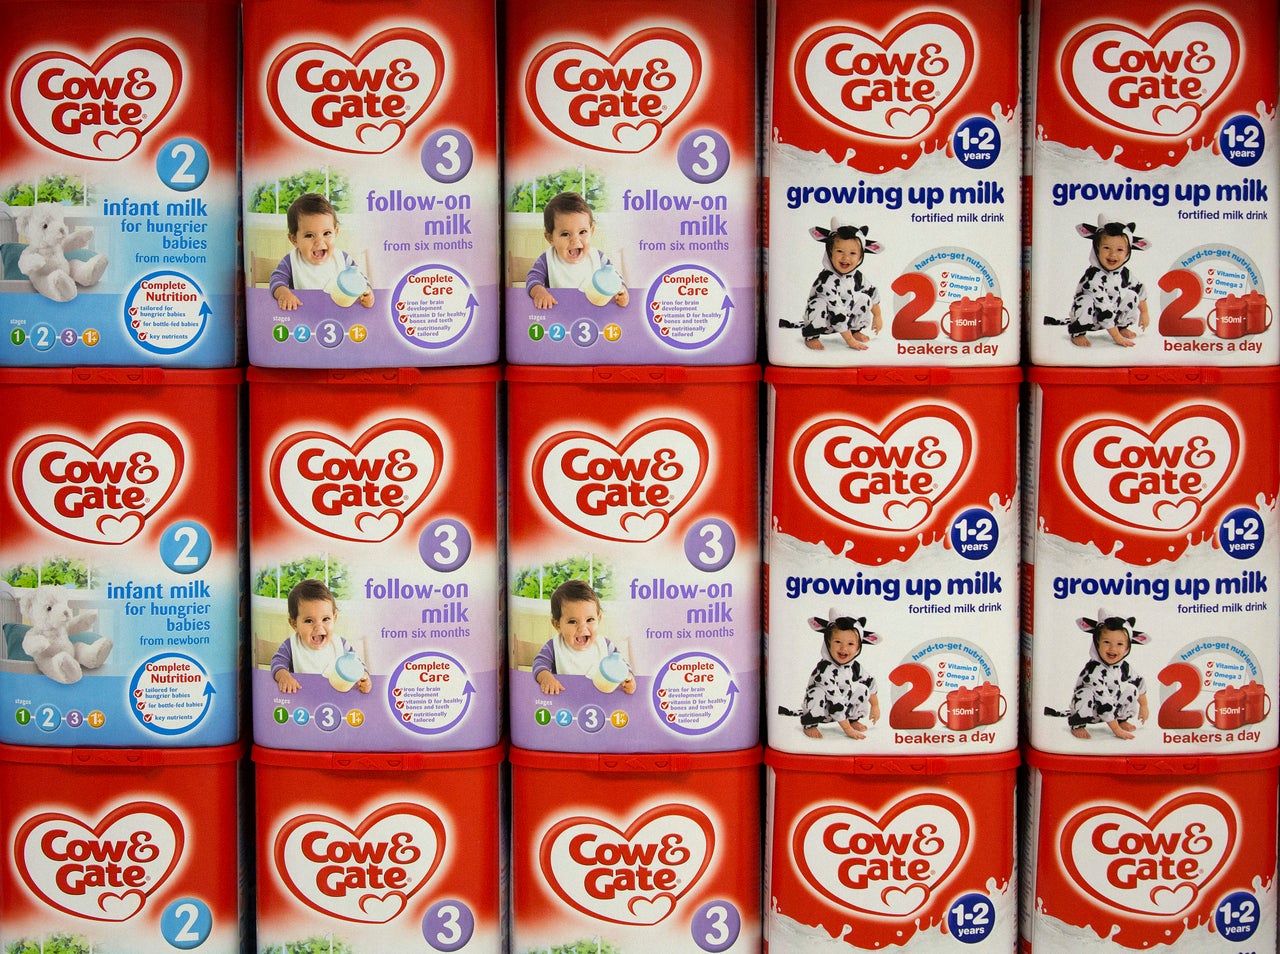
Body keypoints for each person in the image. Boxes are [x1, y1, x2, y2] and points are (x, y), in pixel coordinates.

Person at [1044, 610, 1149, 739]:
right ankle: (1078, 724)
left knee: (1131, 689)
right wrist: (1116, 731)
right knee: (1085, 693)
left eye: (1120, 644)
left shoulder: (1124, 667)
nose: (1113, 648)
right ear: (1097, 642)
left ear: (1127, 647)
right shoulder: (1094, 670)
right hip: (1093, 710)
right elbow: (1103, 701)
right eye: (1107, 642)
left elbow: (1138, 683)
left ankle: (1121, 719)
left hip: (1111, 711)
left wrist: (1144, 706)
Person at [782, 219, 883, 351]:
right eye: (840, 251)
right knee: (818, 303)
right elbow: (837, 312)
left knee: (865, 298)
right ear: (830, 251)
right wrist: (850, 342)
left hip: (845, 322)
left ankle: (855, 329)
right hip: (826, 321)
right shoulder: (827, 280)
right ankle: (811, 336)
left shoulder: (856, 276)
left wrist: (877, 316)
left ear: (860, 257)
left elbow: (872, 292)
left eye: (852, 253)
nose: (845, 258)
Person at [778, 612, 881, 739]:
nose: (843, 648)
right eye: (838, 642)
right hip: (824, 710)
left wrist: (875, 706)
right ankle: (810, 724)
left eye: (850, 644)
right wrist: (848, 730)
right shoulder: (825, 670)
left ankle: (853, 719)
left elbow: (869, 683)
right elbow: (835, 700)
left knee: (862, 689)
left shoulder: (854, 666)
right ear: (828, 642)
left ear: (858, 647)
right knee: (817, 693)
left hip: (843, 711)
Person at [269, 192, 373, 311]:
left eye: (326, 233)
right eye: (309, 235)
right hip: (303, 313)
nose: (319, 242)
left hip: (339, 313)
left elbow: (359, 279)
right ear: (294, 239)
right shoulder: (291, 261)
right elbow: (276, 279)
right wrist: (283, 294)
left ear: (335, 232)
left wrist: (367, 293)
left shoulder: (343, 259)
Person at [525, 192, 628, 310]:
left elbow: (615, 278)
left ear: (591, 231)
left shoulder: (598, 258)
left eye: (582, 232)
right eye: (565, 234)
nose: (575, 240)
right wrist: (539, 292)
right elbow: (533, 278)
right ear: (550, 238)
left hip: (594, 312)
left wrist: (622, 291)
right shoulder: (547, 260)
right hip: (558, 312)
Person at [532, 579, 635, 695]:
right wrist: (546, 678)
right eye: (572, 621)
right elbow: (539, 663)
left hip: (600, 698)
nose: (582, 628)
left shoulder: (605, 645)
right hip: (566, 698)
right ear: (557, 625)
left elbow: (621, 664)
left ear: (598, 619)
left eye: (590, 620)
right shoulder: (554, 646)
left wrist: (628, 678)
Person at [271, 579, 371, 694]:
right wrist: (283, 676)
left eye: (326, 619)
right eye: (309, 621)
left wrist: (364, 678)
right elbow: (277, 662)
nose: (318, 628)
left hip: (336, 696)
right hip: (302, 696)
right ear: (294, 624)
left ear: (334, 618)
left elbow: (357, 664)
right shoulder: (291, 645)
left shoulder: (341, 644)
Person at [1066, 216, 1150, 347]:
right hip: (1092, 318)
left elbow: (1139, 290)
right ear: (1097, 248)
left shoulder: (1124, 273)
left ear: (1127, 253)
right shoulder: (1094, 277)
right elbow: (1104, 308)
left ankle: (1122, 326)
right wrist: (1117, 338)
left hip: (1113, 320)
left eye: (1120, 250)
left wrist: (1144, 313)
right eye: (1106, 248)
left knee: (1132, 295)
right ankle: (1078, 332)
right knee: (1085, 301)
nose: (1112, 254)